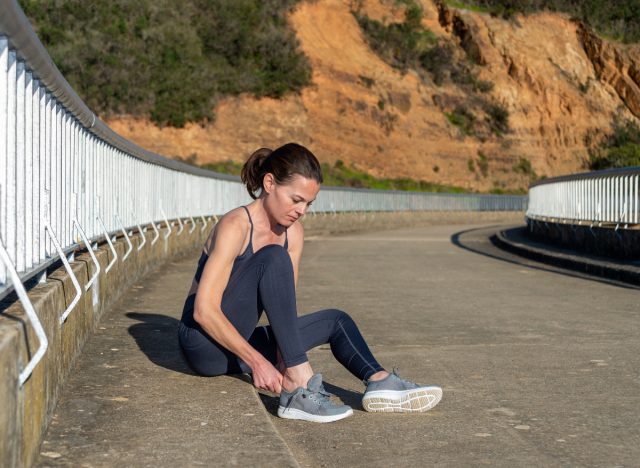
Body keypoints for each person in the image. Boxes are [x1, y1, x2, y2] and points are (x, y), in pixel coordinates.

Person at [178, 143, 442, 423]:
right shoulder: (236, 225)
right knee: (273, 257)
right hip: (203, 344)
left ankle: (380, 381)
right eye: (296, 199)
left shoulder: (294, 233)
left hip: (237, 341)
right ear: (269, 183)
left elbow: (284, 309)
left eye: (308, 203)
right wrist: (259, 362)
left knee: (336, 321)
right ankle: (297, 386)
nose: (301, 210)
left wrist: (281, 358)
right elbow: (203, 311)